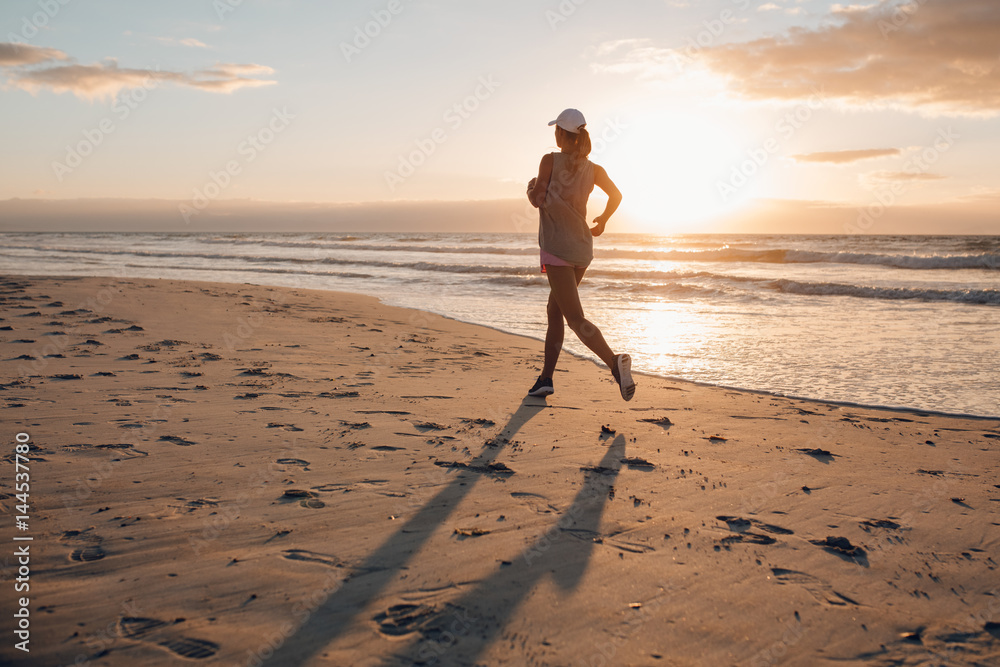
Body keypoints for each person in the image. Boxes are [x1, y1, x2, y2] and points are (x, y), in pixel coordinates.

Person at [526, 108, 635, 401]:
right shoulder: (594, 169)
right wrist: (604, 219)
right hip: (581, 249)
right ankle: (545, 379)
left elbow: (538, 200)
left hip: (557, 248)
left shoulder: (549, 160)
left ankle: (614, 362)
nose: (554, 134)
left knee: (574, 318)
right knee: (554, 311)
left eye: (556, 130)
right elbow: (617, 195)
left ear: (562, 134)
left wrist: (530, 189)